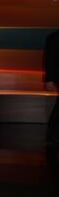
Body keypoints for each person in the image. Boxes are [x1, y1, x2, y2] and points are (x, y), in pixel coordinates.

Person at [45, 29, 59, 164]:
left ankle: (53, 137)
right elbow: (50, 60)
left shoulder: (53, 37)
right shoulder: (54, 38)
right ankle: (53, 137)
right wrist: (49, 80)